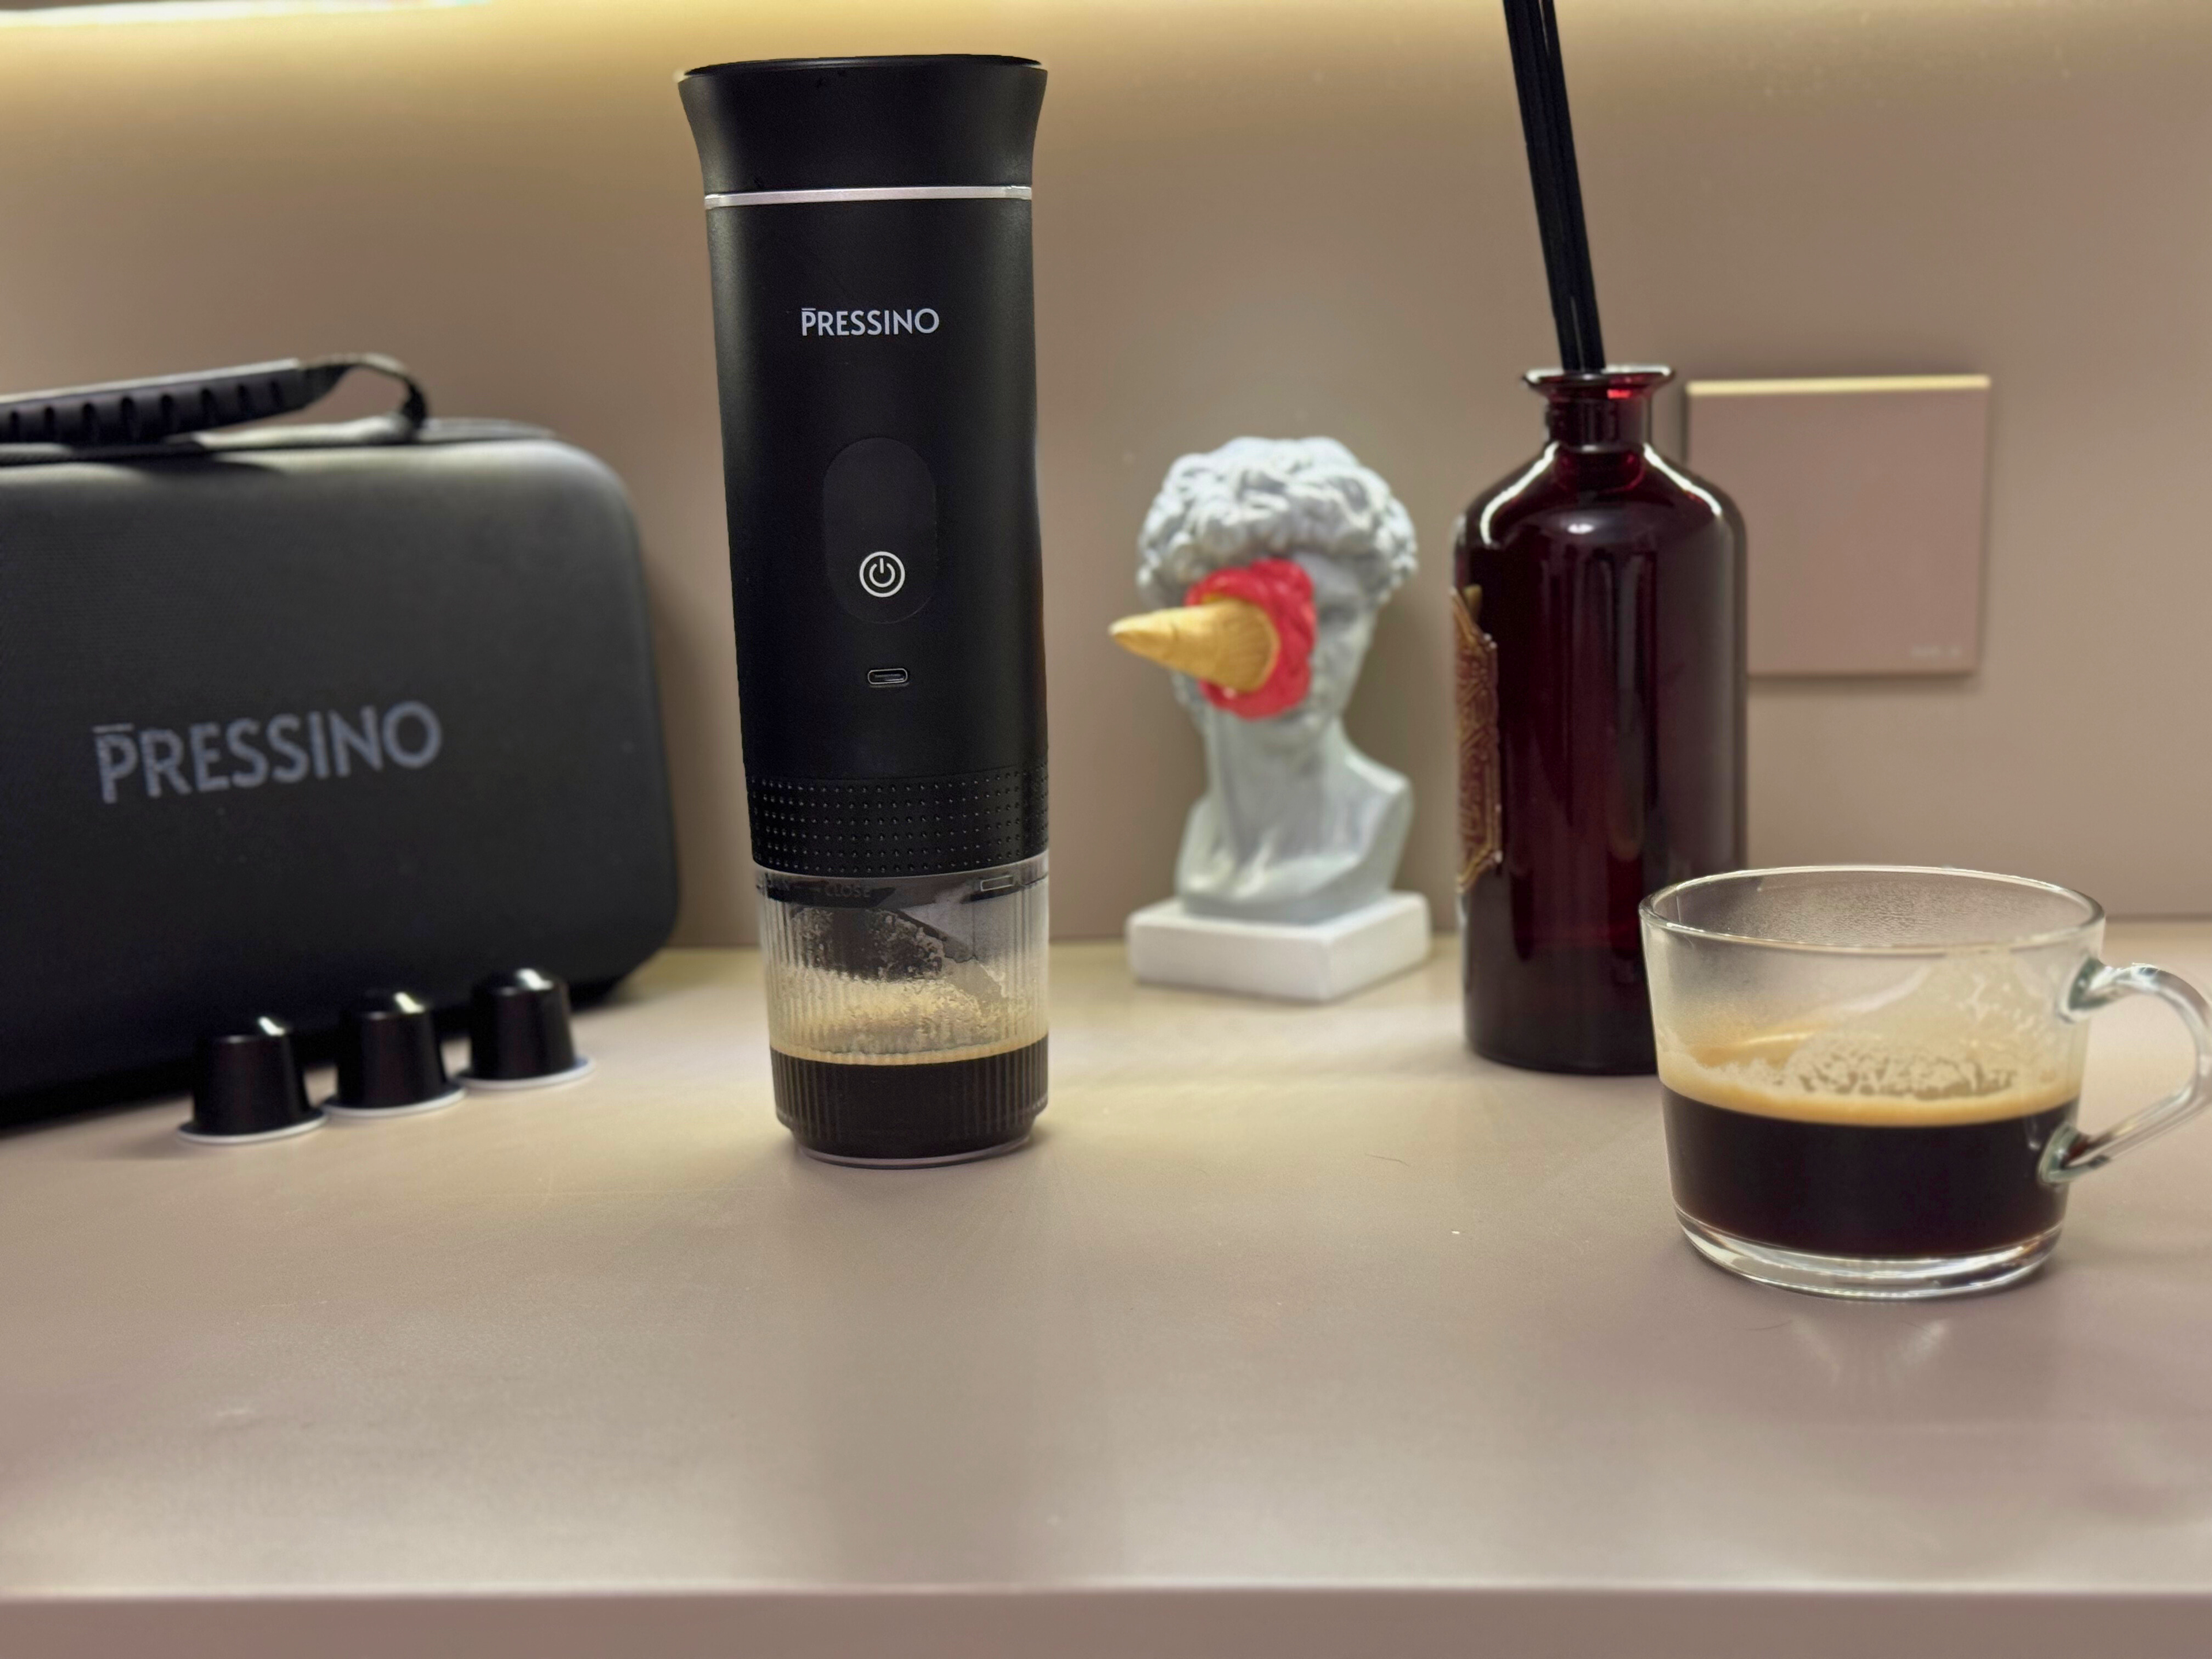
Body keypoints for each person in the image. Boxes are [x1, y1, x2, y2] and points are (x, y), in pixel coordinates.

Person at [1118, 436, 1418, 925]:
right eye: (1255, 616)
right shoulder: (1201, 841)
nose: (1301, 655)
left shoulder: (1374, 815)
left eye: (1338, 616)